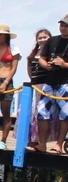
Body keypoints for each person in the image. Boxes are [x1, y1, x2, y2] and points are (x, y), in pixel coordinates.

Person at [37, 18, 68, 154]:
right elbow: (42, 58)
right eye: (61, 25)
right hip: (50, 82)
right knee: (41, 111)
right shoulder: (52, 40)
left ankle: (58, 145)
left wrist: (64, 65)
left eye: (66, 26)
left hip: (66, 83)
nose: (63, 28)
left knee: (65, 115)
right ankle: (42, 144)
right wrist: (46, 65)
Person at [27, 28, 52, 150]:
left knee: (42, 112)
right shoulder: (34, 53)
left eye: (45, 37)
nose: (42, 40)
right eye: (40, 38)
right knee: (33, 113)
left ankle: (41, 142)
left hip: (46, 85)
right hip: (35, 85)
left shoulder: (51, 52)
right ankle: (33, 139)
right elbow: (30, 69)